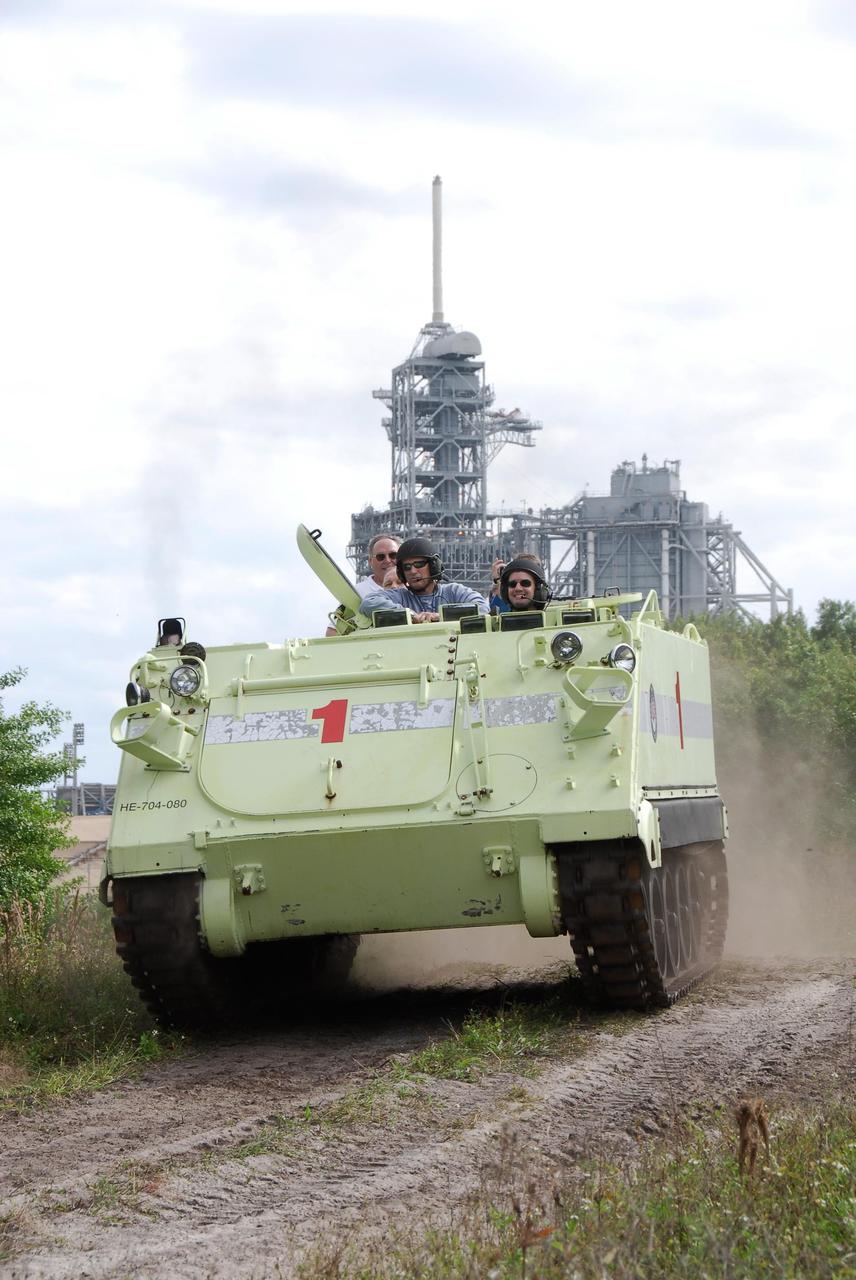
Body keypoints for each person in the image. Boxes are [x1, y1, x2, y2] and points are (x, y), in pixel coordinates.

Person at [360, 536, 489, 623]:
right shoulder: (399, 596)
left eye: (419, 564)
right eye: (407, 567)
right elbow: (368, 602)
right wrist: (410, 615)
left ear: (433, 566)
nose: (412, 571)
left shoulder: (454, 591)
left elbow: (482, 607)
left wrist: (441, 616)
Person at [325, 533, 401, 635]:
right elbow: (333, 632)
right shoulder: (356, 592)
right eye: (380, 557)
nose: (387, 560)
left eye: (393, 555)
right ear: (370, 561)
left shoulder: (413, 588)